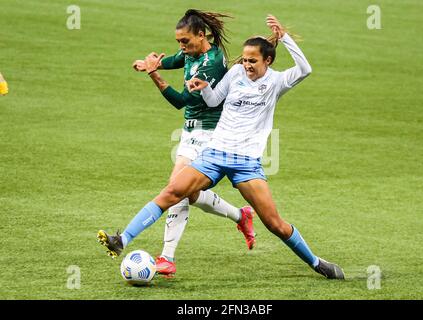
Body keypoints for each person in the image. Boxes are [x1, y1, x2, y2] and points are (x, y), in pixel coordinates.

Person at [98, 14, 345, 279]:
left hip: (246, 163)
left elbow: (305, 69)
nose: (246, 65)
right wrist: (203, 87)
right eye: (245, 59)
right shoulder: (236, 73)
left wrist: (284, 38)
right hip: (214, 154)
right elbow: (215, 100)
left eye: (253, 61)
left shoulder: (276, 82)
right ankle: (122, 239)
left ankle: (316, 262)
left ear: (268, 61)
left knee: (275, 224)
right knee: (173, 191)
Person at [98, 9, 255, 277]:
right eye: (178, 41)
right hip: (189, 134)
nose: (181, 47)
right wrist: (155, 63)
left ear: (201, 35)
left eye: (185, 41)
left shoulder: (211, 64)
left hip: (210, 136)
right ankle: (241, 216)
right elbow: (176, 59)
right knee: (190, 194)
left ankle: (162, 255)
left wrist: (153, 75)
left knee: (176, 190)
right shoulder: (193, 53)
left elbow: (180, 101)